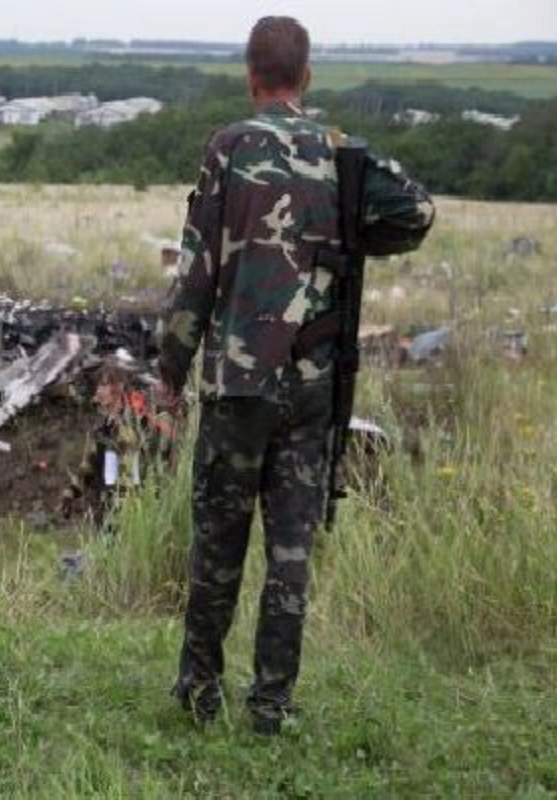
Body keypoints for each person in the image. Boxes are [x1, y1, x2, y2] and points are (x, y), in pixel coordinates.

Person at [159, 17, 434, 735]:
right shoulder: (341, 155)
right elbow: (419, 213)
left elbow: (197, 273)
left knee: (218, 544)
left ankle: (199, 691)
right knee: (290, 553)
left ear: (251, 75)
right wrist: (350, 232)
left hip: (237, 385)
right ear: (306, 77)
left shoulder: (229, 148)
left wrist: (169, 371)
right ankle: (272, 704)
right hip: (312, 388)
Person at [59, 358, 177, 527]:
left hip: (132, 512)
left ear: (119, 386)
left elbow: (143, 469)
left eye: (104, 385)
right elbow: (88, 467)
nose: (99, 391)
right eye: (98, 386)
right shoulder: (103, 428)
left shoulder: (135, 425)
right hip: (106, 510)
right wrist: (70, 493)